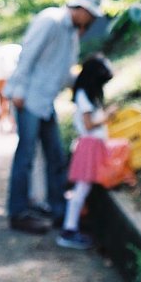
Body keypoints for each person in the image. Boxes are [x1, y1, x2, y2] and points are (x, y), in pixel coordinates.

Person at [3, 0, 103, 234]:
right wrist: (18, 89)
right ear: (81, 8)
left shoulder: (71, 33)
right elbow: (29, 54)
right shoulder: (51, 20)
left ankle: (57, 208)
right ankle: (18, 212)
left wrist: (89, 82)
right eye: (90, 14)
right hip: (28, 97)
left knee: (55, 154)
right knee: (25, 156)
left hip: (46, 101)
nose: (90, 21)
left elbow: (63, 70)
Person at [57, 54, 117, 250]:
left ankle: (72, 226)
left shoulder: (87, 95)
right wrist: (106, 116)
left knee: (83, 189)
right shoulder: (84, 96)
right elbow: (89, 124)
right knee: (81, 189)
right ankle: (69, 229)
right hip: (89, 145)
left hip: (93, 145)